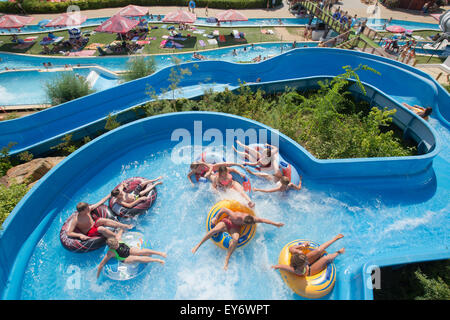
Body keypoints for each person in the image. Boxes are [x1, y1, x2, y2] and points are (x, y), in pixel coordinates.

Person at [192, 206, 284, 270]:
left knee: (235, 240)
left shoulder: (252, 219)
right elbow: (223, 209)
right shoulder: (235, 216)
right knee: (214, 230)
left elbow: (263, 220)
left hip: (235, 228)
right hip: (227, 222)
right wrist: (216, 218)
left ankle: (227, 259)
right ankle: (198, 245)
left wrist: (276, 224)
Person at [96, 229, 166, 278]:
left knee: (141, 251)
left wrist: (126, 226)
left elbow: (121, 230)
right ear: (111, 247)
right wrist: (98, 276)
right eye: (115, 246)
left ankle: (159, 253)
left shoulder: (118, 239)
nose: (116, 246)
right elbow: (101, 264)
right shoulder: (110, 253)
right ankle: (157, 260)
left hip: (129, 249)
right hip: (125, 258)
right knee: (138, 258)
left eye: (117, 244)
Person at [272, 234, 345, 277]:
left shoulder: (298, 254)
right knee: (326, 258)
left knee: (318, 250)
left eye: (306, 260)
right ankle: (339, 252)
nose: (307, 262)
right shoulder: (295, 270)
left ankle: (335, 238)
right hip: (310, 271)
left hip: (301, 261)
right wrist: (272, 268)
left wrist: (303, 245)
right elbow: (280, 266)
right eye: (305, 262)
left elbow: (290, 248)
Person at [66, 195, 133, 241]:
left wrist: (110, 195)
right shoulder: (76, 220)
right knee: (101, 228)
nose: (89, 208)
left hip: (95, 225)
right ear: (82, 210)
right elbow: (69, 233)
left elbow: (100, 202)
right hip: (90, 232)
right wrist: (80, 235)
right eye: (87, 208)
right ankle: (116, 236)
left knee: (101, 220)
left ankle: (124, 226)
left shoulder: (87, 210)